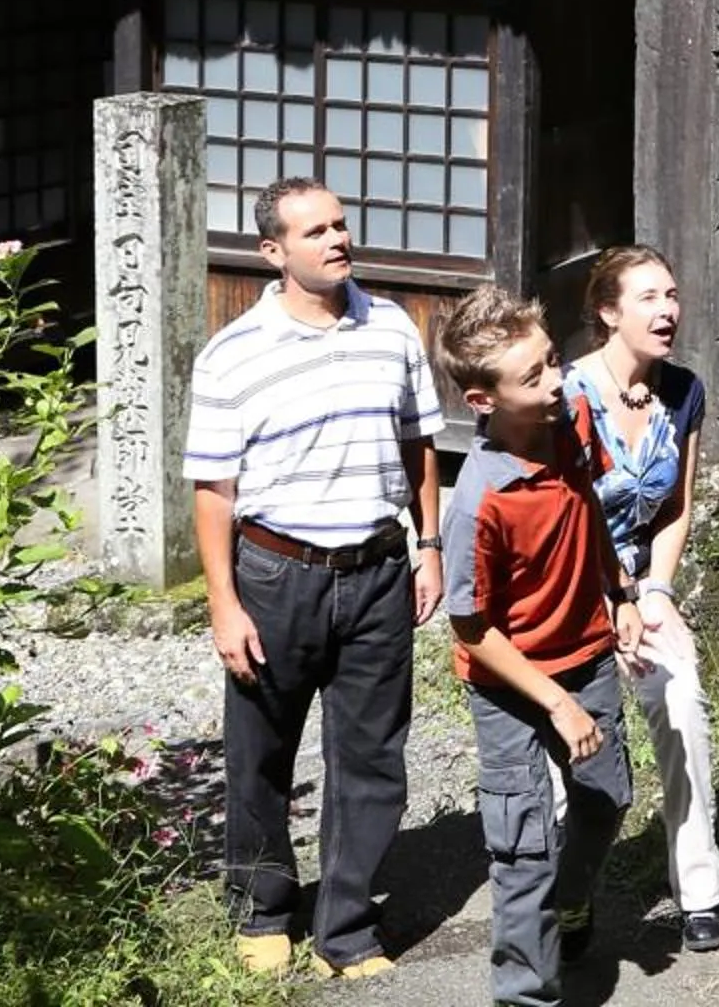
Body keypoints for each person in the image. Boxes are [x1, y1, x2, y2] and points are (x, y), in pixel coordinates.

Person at [184, 177, 443, 980]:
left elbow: (419, 443)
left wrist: (429, 543)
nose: (337, 239)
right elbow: (213, 492)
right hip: (275, 572)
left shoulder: (393, 327)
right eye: (316, 231)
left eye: (340, 224)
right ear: (274, 252)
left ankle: (348, 929)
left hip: (376, 568)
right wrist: (223, 602)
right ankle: (262, 908)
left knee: (371, 756)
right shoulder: (234, 353)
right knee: (262, 750)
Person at [434, 286, 643, 1007]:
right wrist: (555, 704)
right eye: (533, 377)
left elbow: (586, 509)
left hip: (584, 653)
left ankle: (571, 901)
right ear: (482, 398)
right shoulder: (479, 499)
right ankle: (526, 994)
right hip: (511, 683)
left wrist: (620, 595)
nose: (556, 381)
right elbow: (471, 629)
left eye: (553, 361)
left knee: (607, 798)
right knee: (523, 847)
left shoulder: (573, 416)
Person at [565, 244, 719, 952]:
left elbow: (676, 507)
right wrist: (606, 602)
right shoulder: (563, 395)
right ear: (608, 313)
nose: (668, 310)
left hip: (641, 582)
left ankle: (701, 890)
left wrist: (656, 591)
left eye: (672, 294)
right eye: (648, 298)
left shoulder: (683, 391)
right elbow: (556, 516)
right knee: (571, 749)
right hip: (570, 589)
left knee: (683, 703)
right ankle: (567, 899)